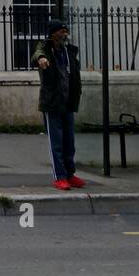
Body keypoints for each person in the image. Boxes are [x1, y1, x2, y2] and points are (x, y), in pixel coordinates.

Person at [31, 18, 86, 190]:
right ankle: (59, 177)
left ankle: (70, 174)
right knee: (56, 143)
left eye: (66, 31)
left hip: (68, 102)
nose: (65, 34)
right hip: (52, 103)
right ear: (54, 33)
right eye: (62, 31)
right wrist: (41, 59)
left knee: (69, 142)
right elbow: (37, 53)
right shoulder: (46, 49)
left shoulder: (68, 52)